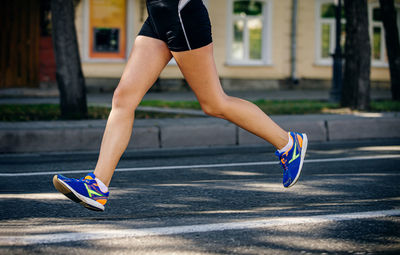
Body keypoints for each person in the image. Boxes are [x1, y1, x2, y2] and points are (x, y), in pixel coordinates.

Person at [53, 0, 308, 212]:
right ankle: (97, 185)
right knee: (123, 98)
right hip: (158, 15)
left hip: (181, 14)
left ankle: (288, 143)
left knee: (214, 103)